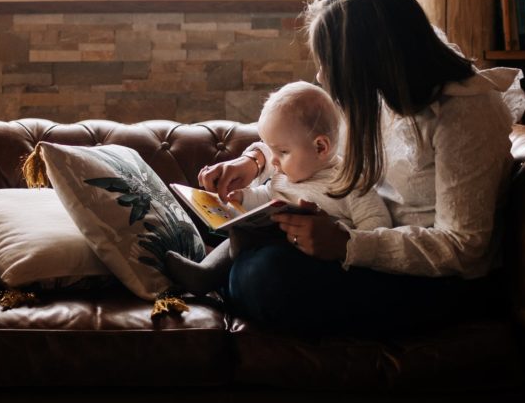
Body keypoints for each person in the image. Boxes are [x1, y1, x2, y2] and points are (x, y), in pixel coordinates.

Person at [199, 0, 525, 335]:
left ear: (371, 59)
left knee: (264, 278)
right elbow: (311, 138)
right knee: (240, 236)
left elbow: (464, 247)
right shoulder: (378, 92)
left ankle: (232, 274)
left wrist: (346, 244)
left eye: (331, 64)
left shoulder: (465, 113)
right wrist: (254, 160)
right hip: (363, 243)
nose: (323, 77)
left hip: (437, 282)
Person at [166, 81, 390, 295]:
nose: (273, 162)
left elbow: (377, 224)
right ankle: (205, 272)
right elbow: (267, 196)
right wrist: (243, 197)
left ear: (320, 147)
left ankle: (216, 273)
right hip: (264, 242)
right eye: (271, 151)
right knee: (241, 229)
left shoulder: (350, 182)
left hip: (312, 261)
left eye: (282, 152)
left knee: (258, 252)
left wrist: (341, 234)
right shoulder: (286, 175)